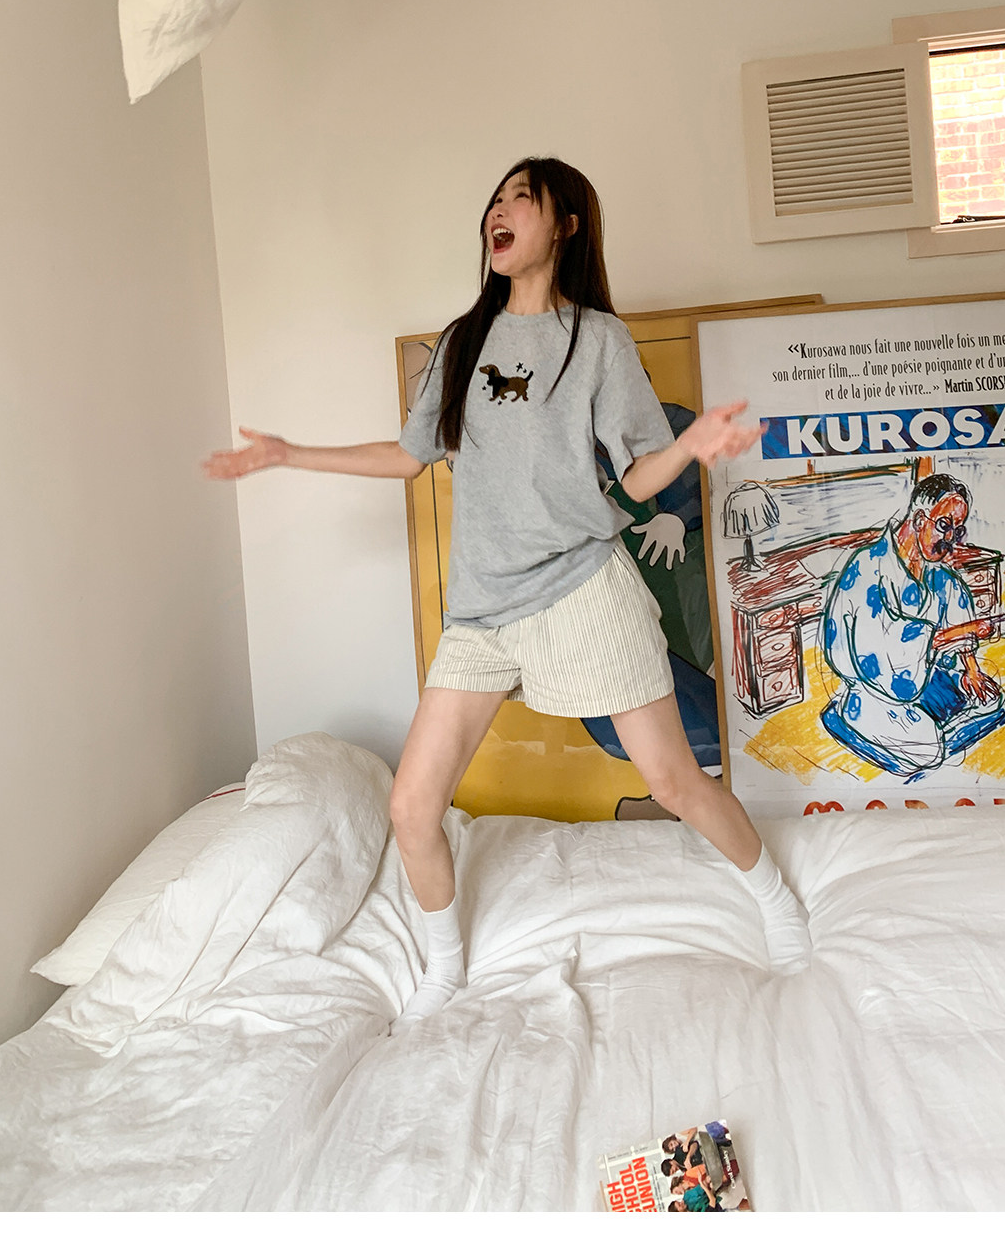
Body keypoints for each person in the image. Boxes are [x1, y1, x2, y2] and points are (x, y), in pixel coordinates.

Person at [202, 156, 812, 1028]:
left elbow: (636, 478)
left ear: (566, 224)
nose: (502, 208)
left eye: (523, 197)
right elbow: (408, 456)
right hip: (483, 611)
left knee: (676, 782)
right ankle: (444, 966)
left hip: (581, 586)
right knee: (412, 805)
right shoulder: (462, 343)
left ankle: (778, 904)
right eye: (497, 197)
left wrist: (690, 445)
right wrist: (289, 453)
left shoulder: (597, 340)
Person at [820, 473, 1005, 776]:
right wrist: (959, 633)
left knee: (989, 696)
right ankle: (852, 716)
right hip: (873, 688)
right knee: (927, 751)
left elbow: (956, 607)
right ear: (920, 519)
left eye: (957, 530)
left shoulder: (937, 574)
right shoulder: (868, 567)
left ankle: (930, 710)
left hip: (918, 675)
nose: (950, 538)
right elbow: (881, 651)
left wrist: (971, 669)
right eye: (944, 525)